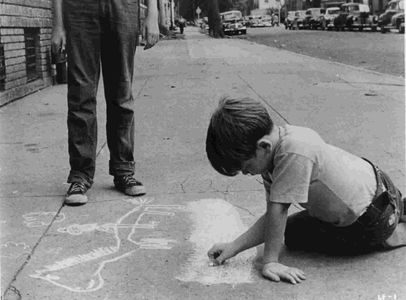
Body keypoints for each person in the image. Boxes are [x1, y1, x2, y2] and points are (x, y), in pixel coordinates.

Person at [206, 96, 406, 284]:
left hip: (371, 221)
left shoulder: (292, 154)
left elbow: (278, 212)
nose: (245, 173)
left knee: (294, 235)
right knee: (286, 228)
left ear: (263, 147)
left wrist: (270, 262)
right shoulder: (283, 140)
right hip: (382, 188)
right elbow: (273, 216)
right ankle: (400, 209)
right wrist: (234, 247)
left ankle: (394, 231)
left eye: (246, 167)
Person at [51, 0, 159, 205]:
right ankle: (80, 175)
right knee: (81, 95)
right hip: (79, 9)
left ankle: (124, 170)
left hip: (123, 8)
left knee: (122, 92)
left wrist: (152, 13)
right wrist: (58, 24)